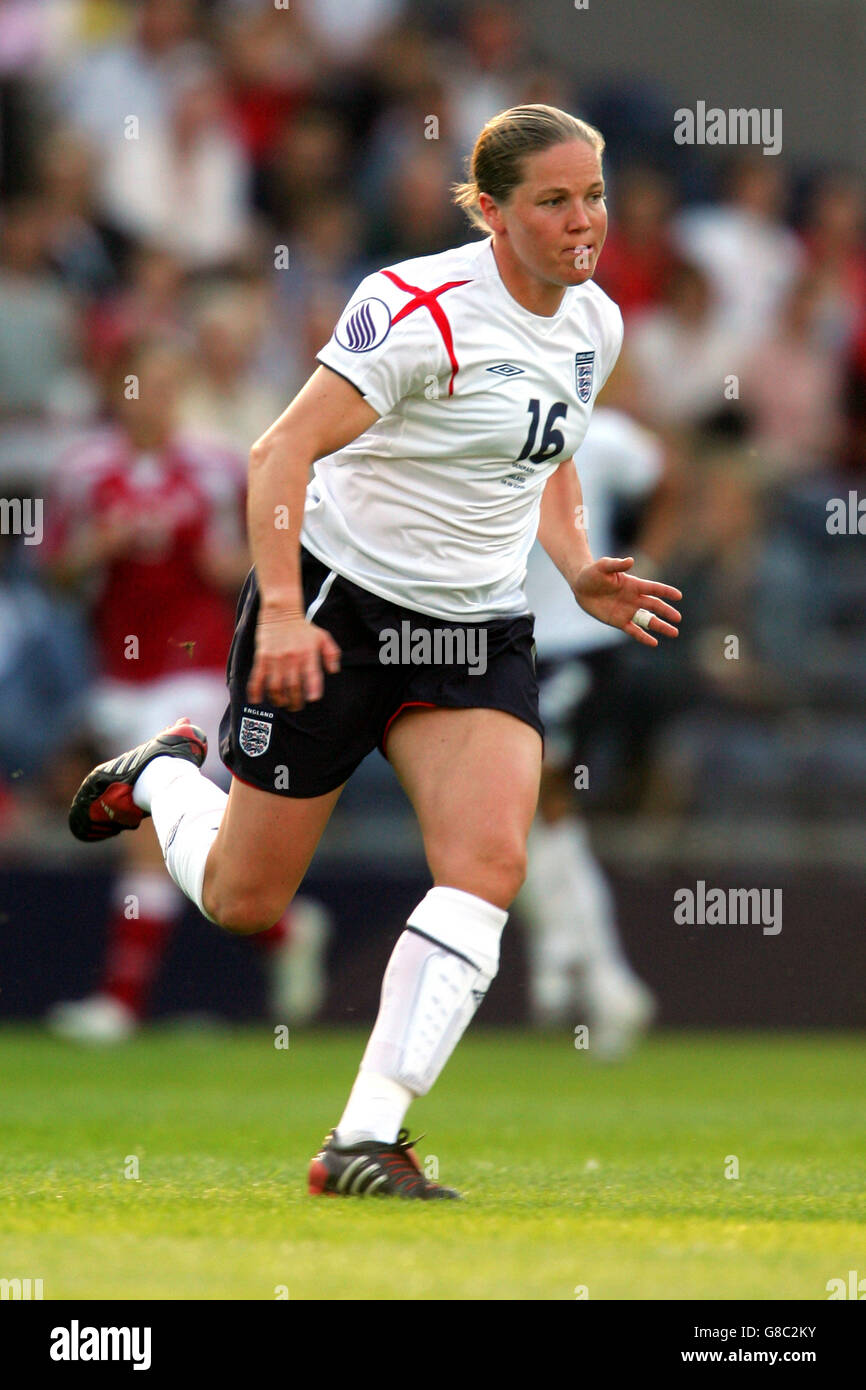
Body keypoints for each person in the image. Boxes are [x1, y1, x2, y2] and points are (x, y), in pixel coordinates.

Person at [68, 104, 682, 1199]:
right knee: (244, 898)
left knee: (489, 866)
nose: (582, 219)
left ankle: (362, 1138)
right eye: (552, 200)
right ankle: (162, 775)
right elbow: (280, 448)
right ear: (489, 210)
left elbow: (546, 451)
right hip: (340, 612)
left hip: (476, 625)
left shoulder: (594, 322)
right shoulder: (413, 308)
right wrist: (290, 609)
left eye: (591, 195)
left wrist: (579, 562)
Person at [518, 403, 665, 1054]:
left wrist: (649, 554)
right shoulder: (491, 421)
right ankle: (584, 965)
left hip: (578, 642)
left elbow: (667, 475)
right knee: (517, 806)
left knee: (539, 794)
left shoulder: (605, 433)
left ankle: (583, 965)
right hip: (511, 640)